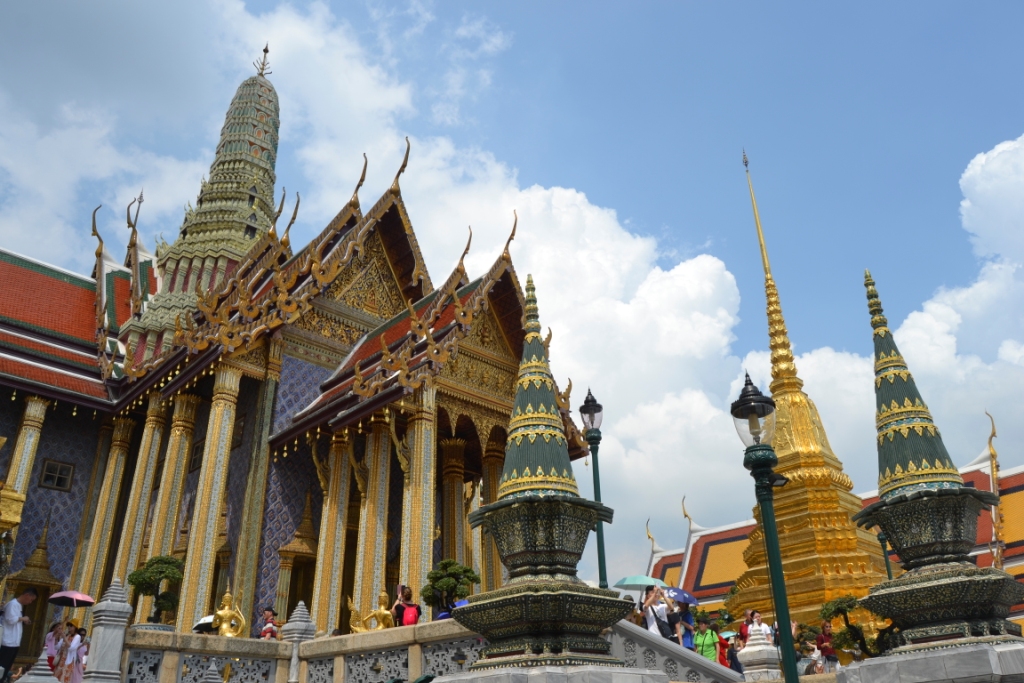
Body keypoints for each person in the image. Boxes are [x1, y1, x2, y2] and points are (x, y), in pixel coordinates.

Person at [0, 588, 37, 683]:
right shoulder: (12, 604)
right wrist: (23, 618)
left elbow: (16, 620)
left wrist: (23, 621)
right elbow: (10, 619)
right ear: (27, 595)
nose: (30, 602)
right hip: (7, 642)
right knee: (2, 667)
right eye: (31, 599)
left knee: (6, 668)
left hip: (14, 642)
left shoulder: (19, 606)